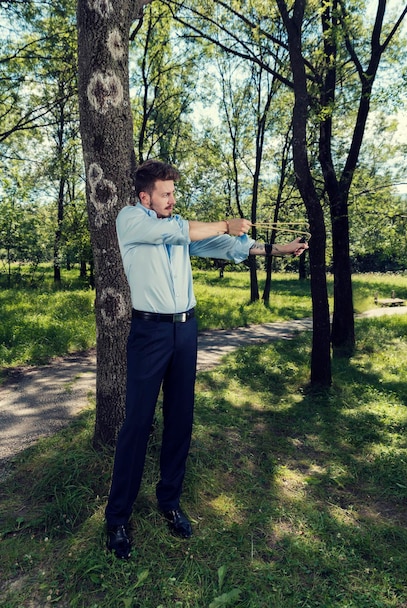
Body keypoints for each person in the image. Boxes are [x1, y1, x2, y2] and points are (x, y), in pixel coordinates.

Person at [105, 159, 308, 559]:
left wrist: (278, 248)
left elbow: (227, 246)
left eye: (174, 193)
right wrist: (225, 223)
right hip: (150, 333)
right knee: (137, 424)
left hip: (186, 331)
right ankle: (117, 519)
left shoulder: (180, 228)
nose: (172, 199)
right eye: (165, 193)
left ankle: (169, 501)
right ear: (145, 196)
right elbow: (203, 231)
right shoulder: (130, 220)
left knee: (181, 417)